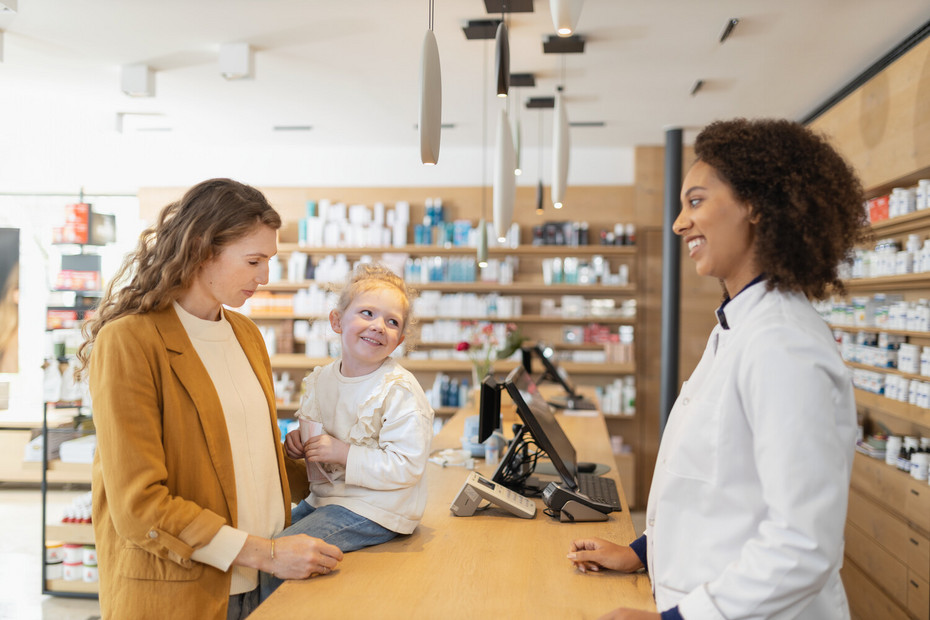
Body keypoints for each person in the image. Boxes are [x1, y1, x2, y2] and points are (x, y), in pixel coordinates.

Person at [567, 118, 867, 620]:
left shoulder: (781, 343)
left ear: (754, 205)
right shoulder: (738, 325)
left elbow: (803, 544)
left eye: (696, 201)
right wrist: (640, 551)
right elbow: (713, 486)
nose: (679, 223)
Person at [76, 178, 343, 620]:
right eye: (254, 261)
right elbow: (139, 506)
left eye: (269, 261)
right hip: (181, 593)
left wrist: (318, 459)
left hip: (265, 586)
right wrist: (268, 553)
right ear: (201, 249)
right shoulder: (130, 341)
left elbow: (236, 460)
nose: (265, 277)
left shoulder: (246, 335)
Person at [262, 262, 434, 596]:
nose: (378, 326)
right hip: (326, 499)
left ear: (400, 340)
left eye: (392, 321)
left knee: (279, 553)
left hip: (377, 508)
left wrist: (343, 453)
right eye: (367, 312)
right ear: (337, 321)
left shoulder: (398, 389)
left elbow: (407, 466)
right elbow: (314, 443)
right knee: (263, 544)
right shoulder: (321, 379)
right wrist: (297, 445)